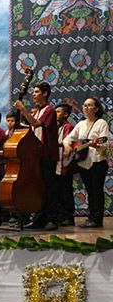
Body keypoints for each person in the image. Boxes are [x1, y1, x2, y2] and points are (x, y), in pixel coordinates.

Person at [14, 81, 59, 230]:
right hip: (36, 155)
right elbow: (29, 127)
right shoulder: (37, 110)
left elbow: (36, 124)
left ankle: (52, 219)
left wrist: (23, 109)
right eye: (33, 92)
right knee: (39, 187)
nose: (33, 94)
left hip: (47, 154)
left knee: (50, 187)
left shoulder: (49, 110)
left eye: (37, 92)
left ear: (45, 93)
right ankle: (39, 218)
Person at [63, 97, 110, 228]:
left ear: (96, 109)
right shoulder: (80, 124)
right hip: (83, 162)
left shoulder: (102, 123)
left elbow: (104, 143)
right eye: (84, 105)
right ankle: (91, 217)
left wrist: (94, 144)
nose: (85, 108)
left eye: (89, 105)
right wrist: (67, 147)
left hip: (97, 162)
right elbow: (68, 139)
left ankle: (97, 220)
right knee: (90, 190)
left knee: (97, 191)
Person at [54, 104, 76, 226]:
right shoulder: (57, 128)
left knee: (66, 191)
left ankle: (69, 216)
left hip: (65, 163)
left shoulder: (68, 127)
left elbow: (67, 141)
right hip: (56, 163)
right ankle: (60, 215)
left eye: (58, 112)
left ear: (66, 114)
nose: (55, 114)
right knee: (57, 191)